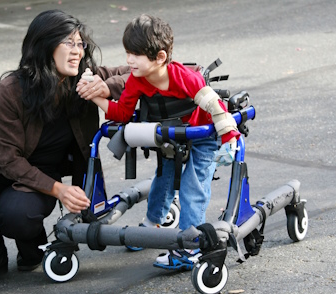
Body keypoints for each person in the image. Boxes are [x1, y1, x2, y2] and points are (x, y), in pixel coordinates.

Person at [0, 9, 130, 290]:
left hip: (40, 175)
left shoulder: (84, 80)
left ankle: (32, 250)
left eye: (80, 44)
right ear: (44, 46)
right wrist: (60, 190)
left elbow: (140, 72)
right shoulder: (10, 90)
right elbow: (8, 160)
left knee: (15, 216)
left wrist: (106, 86)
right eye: (69, 43)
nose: (77, 51)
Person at [84, 14, 240, 271]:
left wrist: (229, 139)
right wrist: (96, 98)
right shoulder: (137, 80)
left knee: (193, 184)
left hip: (203, 135)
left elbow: (215, 105)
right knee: (163, 176)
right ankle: (152, 225)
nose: (128, 60)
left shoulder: (184, 77)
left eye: (135, 54)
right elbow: (122, 113)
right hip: (172, 134)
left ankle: (190, 246)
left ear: (160, 57)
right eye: (127, 53)